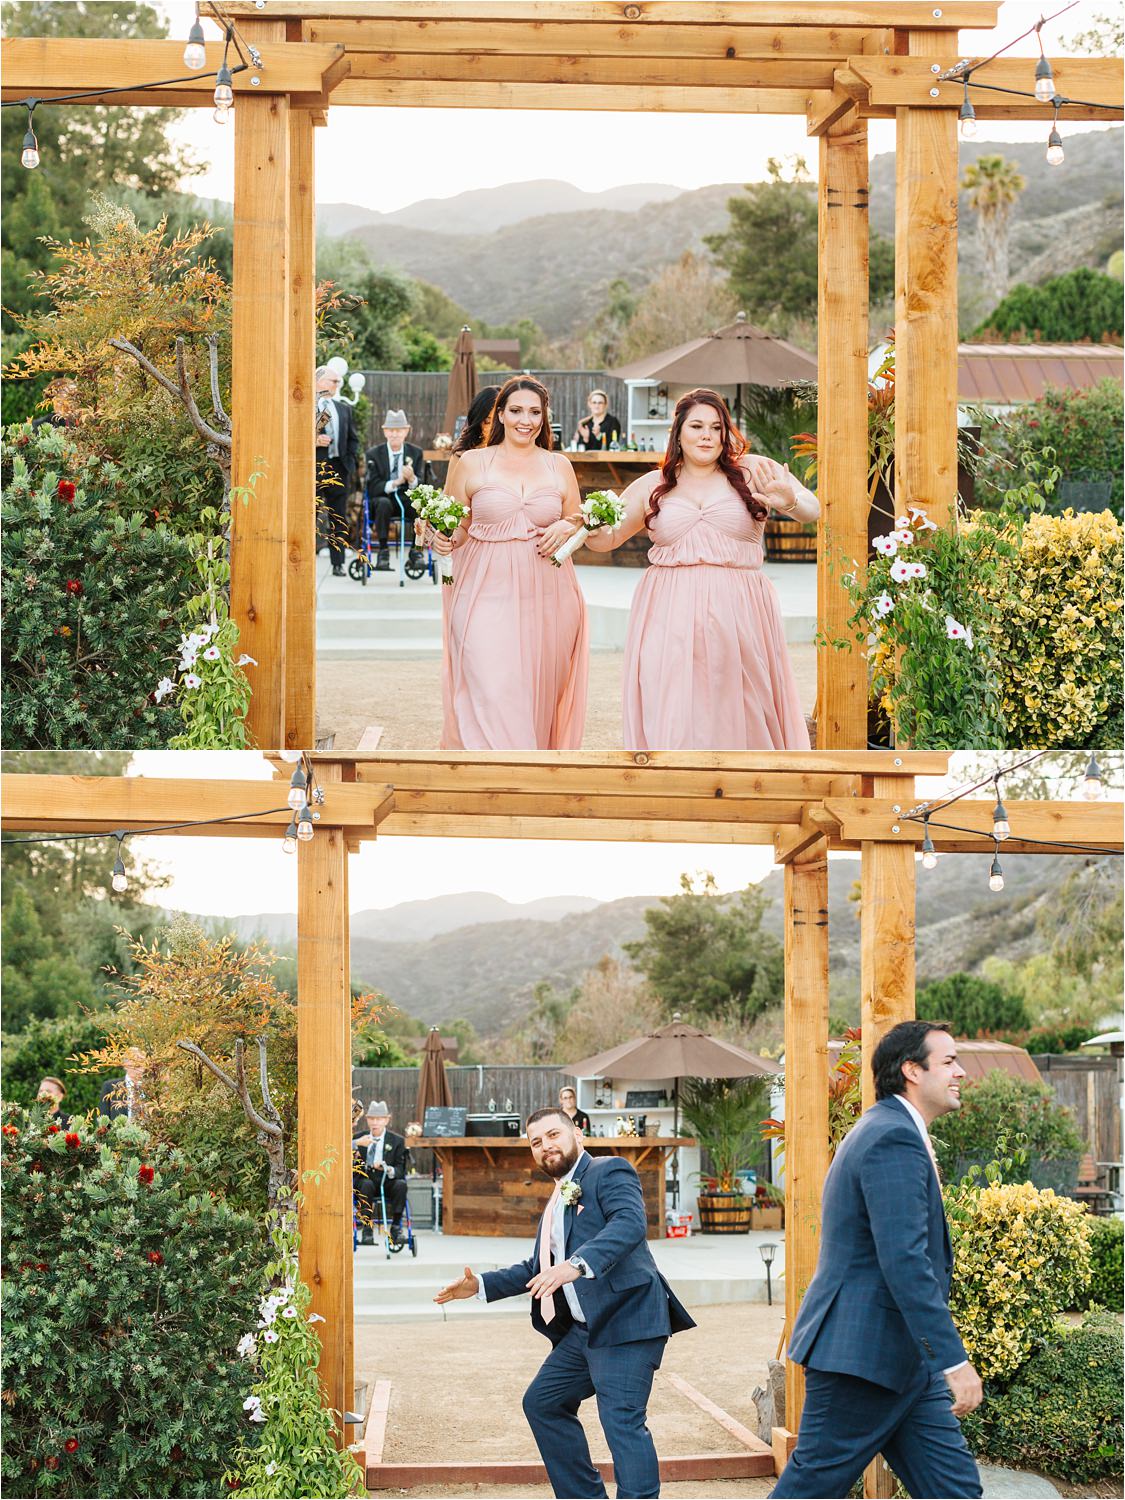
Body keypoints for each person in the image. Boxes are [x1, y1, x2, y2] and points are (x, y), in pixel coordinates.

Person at [771, 1020, 983, 1500]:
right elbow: (905, 1261)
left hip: (903, 1359)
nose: (961, 1072)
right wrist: (953, 1361)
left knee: (956, 1491)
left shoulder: (891, 1128)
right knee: (812, 1488)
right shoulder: (892, 1137)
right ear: (911, 1069)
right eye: (949, 1061)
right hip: (861, 1359)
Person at [435, 1107, 695, 1498]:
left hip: (627, 1321)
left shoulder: (610, 1171)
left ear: (578, 1135)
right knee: (543, 1403)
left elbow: (628, 1224)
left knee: (621, 1422)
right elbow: (538, 1266)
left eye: (554, 1135)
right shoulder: (556, 1200)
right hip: (585, 1330)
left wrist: (575, 1265)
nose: (546, 1146)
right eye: (536, 1142)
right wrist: (481, 1286)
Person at [574, 388, 816, 750]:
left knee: (745, 699)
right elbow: (607, 539)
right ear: (679, 433)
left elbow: (812, 509)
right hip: (669, 610)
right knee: (674, 698)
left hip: (740, 609)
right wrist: (590, 528)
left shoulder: (753, 470)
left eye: (716, 428)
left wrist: (791, 501)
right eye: (697, 426)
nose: (707, 435)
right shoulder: (653, 485)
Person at [430, 376, 588, 750]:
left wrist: (566, 527)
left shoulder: (558, 465)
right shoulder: (472, 462)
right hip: (484, 587)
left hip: (548, 593)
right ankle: (491, 773)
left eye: (535, 412)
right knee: (491, 680)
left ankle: (527, 773)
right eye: (516, 410)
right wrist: (442, 536)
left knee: (536, 690)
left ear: (544, 418)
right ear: (499, 414)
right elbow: (458, 526)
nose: (525, 420)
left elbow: (579, 519)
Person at [364, 409, 433, 572]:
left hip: (405, 497)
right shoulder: (373, 454)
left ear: (406, 431)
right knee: (382, 503)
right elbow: (372, 487)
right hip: (383, 499)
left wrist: (411, 480)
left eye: (399, 430)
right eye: (391, 430)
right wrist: (396, 482)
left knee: (421, 506)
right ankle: (383, 551)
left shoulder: (415, 453)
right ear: (385, 431)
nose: (395, 434)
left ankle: (416, 552)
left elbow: (421, 486)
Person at [315, 365, 360, 578]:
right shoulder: (304, 406)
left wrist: (349, 463)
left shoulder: (343, 409)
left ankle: (338, 563)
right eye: (334, 381)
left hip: (339, 469)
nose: (337, 385)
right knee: (309, 516)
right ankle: (304, 560)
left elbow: (353, 439)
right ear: (319, 381)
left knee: (338, 518)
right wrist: (313, 441)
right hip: (312, 469)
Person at [353, 1100, 409, 1245]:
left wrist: (386, 1168)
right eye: (372, 1118)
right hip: (366, 1180)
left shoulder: (397, 1141)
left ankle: (396, 1227)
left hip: (387, 1180)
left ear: (386, 1120)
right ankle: (366, 1228)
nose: (375, 1122)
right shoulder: (358, 1139)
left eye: (379, 1119)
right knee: (365, 1184)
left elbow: (400, 1169)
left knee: (401, 1185)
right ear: (367, 1120)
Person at [99, 1048, 147, 1121]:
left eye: (141, 1061)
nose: (138, 1065)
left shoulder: (152, 1087)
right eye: (134, 1061)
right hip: (119, 1131)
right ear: (125, 1065)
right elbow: (103, 1121)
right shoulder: (110, 1087)